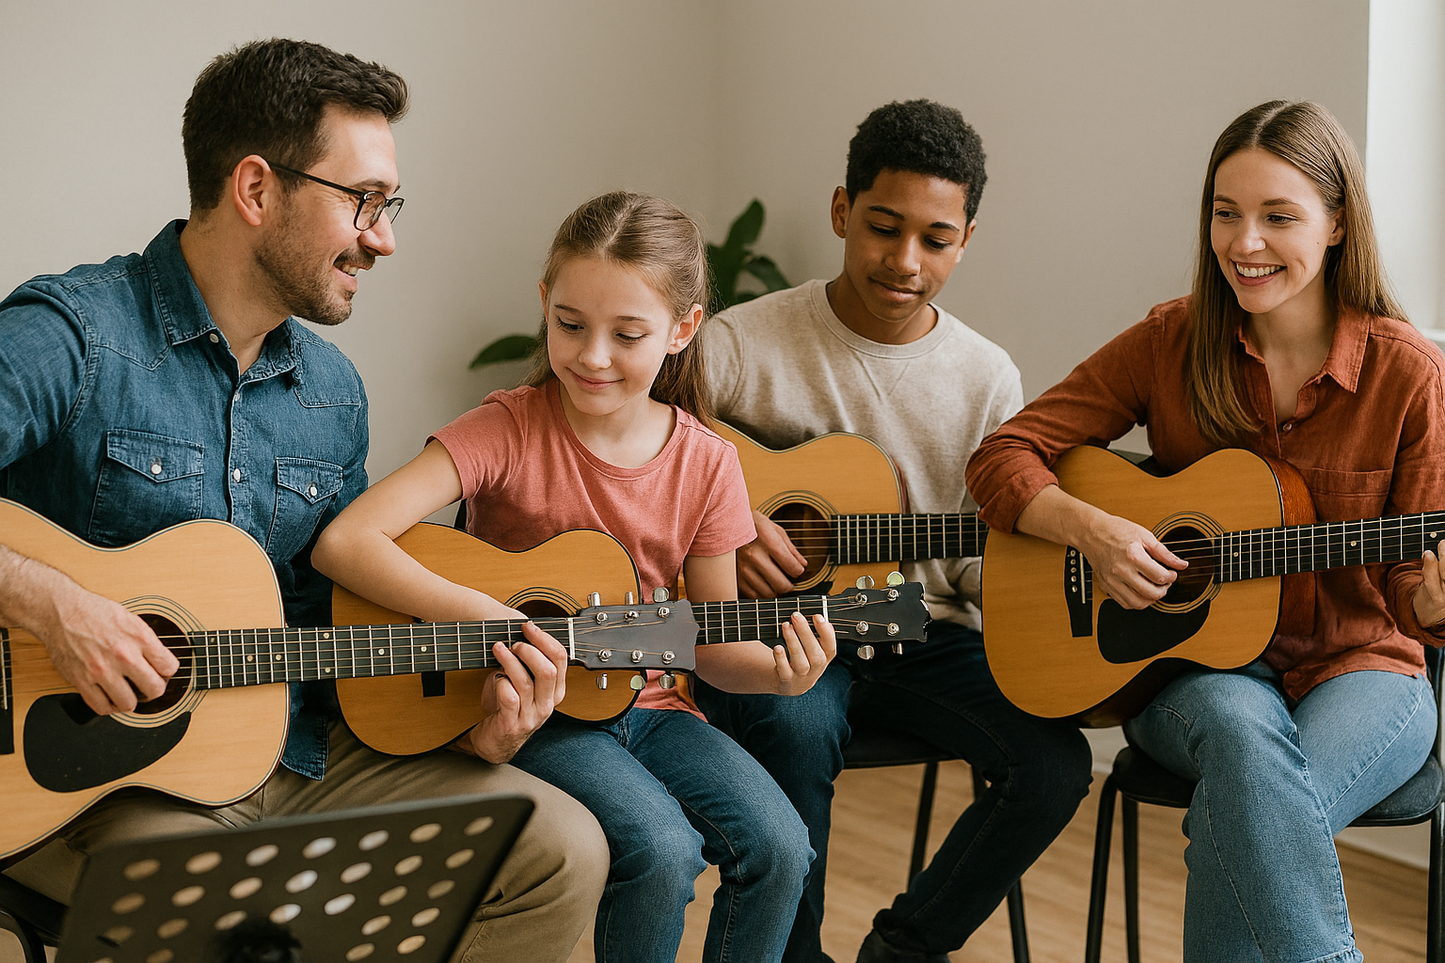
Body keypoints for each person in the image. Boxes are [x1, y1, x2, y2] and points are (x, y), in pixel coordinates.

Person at [0, 38, 609, 962]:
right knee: (239, 927)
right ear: (256, 189)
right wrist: (53, 604)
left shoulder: (332, 392)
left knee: (556, 847)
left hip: (291, 754)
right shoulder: (74, 337)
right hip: (94, 787)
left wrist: (476, 728)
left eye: (390, 204)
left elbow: (328, 628)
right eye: (363, 201)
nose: (385, 236)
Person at [966, 100, 1445, 963]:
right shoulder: (1171, 341)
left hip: (1363, 664)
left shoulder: (1409, 374)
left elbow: (1415, 593)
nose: (1244, 242)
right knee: (1239, 747)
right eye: (1226, 213)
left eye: (1277, 217)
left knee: (1247, 808)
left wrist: (1436, 602)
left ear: (1337, 224)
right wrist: (1092, 533)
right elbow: (1004, 453)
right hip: (1194, 667)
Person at [312, 190, 836, 963]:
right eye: (570, 324)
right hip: (534, 708)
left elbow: (709, 641)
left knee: (784, 848)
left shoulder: (706, 462)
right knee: (659, 849)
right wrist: (484, 615)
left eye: (627, 335)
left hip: (654, 706)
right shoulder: (508, 427)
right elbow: (345, 540)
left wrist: (782, 677)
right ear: (545, 303)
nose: (592, 356)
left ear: (681, 330)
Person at [695, 99, 1094, 963]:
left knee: (1055, 763)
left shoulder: (987, 377)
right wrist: (727, 521)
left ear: (966, 240)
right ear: (842, 211)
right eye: (882, 227)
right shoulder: (737, 345)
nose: (905, 261)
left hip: (914, 628)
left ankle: (901, 951)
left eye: (936, 239)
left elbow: (990, 549)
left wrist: (1066, 563)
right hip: (781, 631)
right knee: (794, 727)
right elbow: (644, 470)